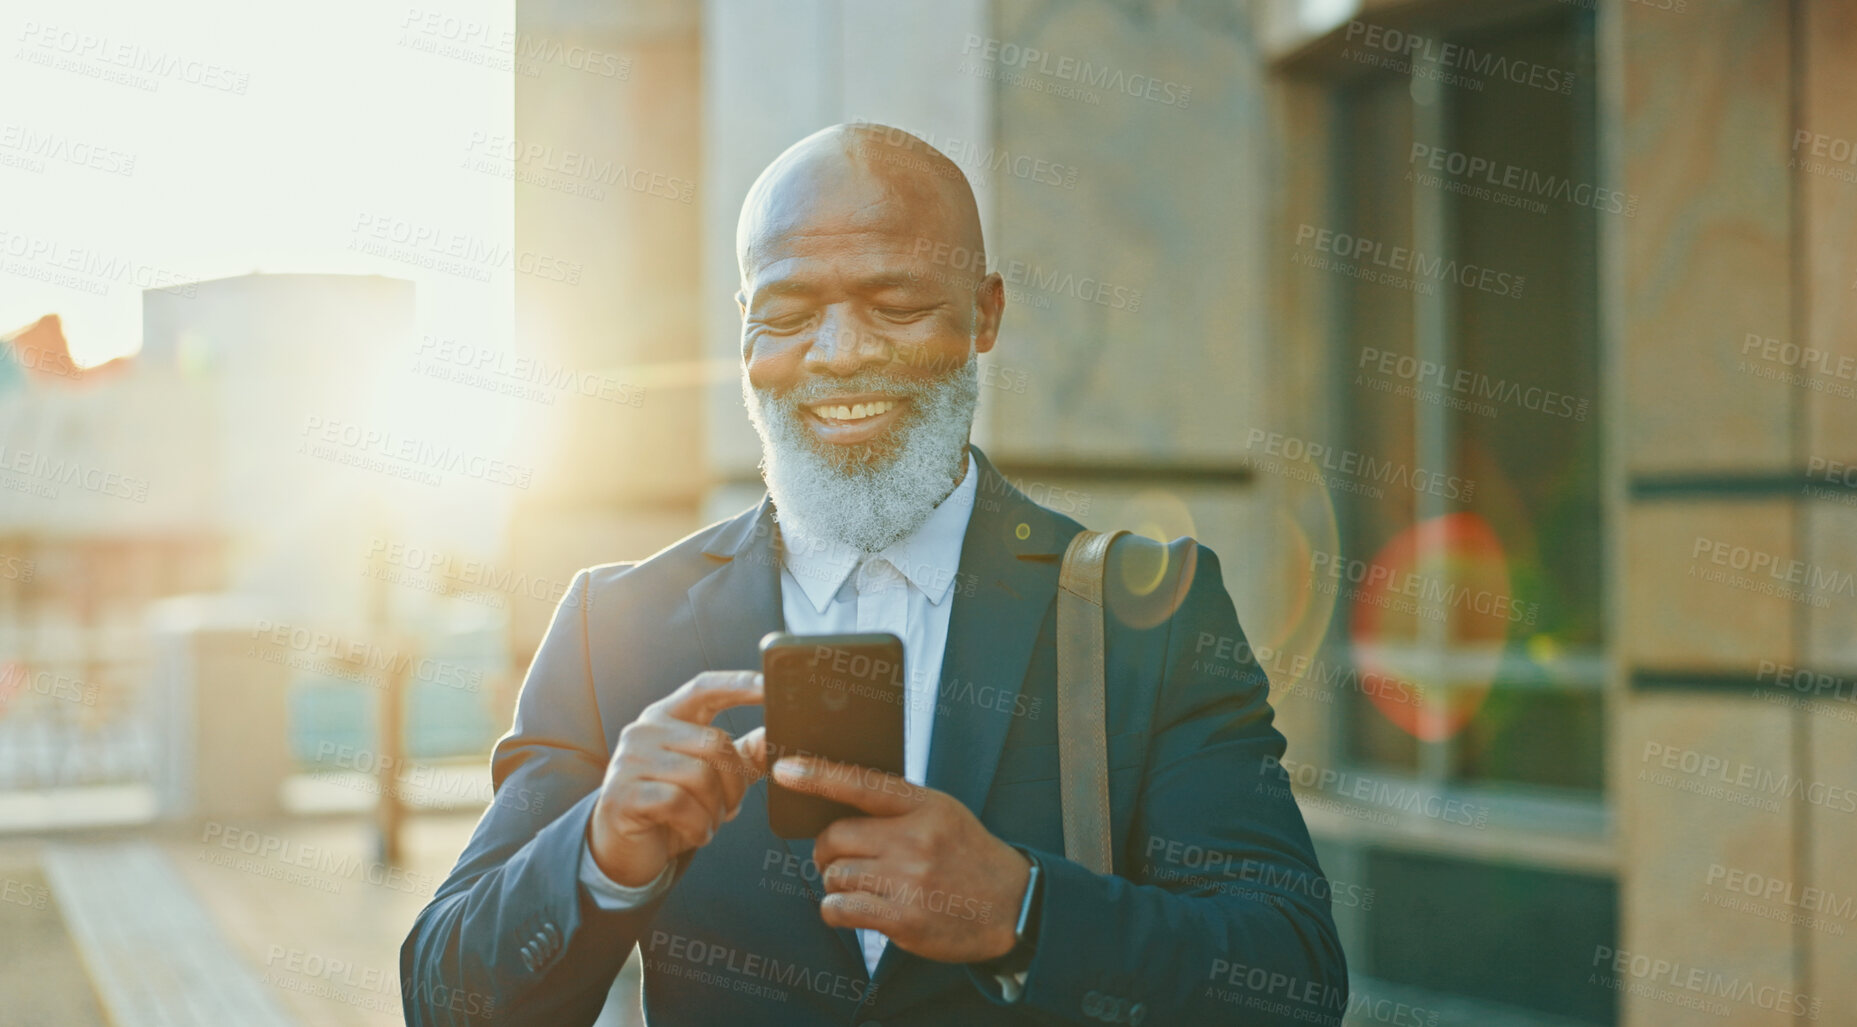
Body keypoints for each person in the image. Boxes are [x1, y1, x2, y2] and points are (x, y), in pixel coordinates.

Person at [401, 122, 1347, 1026]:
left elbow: (1289, 977)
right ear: (744, 335)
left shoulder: (1149, 611)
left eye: (895, 305)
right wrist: (598, 852)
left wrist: (1024, 911)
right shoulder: (616, 624)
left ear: (985, 313)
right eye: (787, 312)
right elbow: (445, 998)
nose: (840, 352)